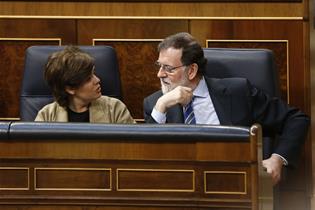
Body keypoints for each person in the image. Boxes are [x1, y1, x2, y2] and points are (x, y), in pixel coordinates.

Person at [143, 32, 309, 185]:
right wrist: (161, 105)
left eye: (168, 68)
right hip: (180, 187)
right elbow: (147, 157)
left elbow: (295, 119)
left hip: (234, 182)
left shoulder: (237, 92)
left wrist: (277, 159)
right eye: (159, 66)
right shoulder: (154, 104)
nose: (159, 74)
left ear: (192, 70)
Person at [35, 46, 135, 124]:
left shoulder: (115, 109)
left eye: (93, 73)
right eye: (88, 79)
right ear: (70, 88)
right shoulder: (47, 116)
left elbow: (133, 146)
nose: (97, 80)